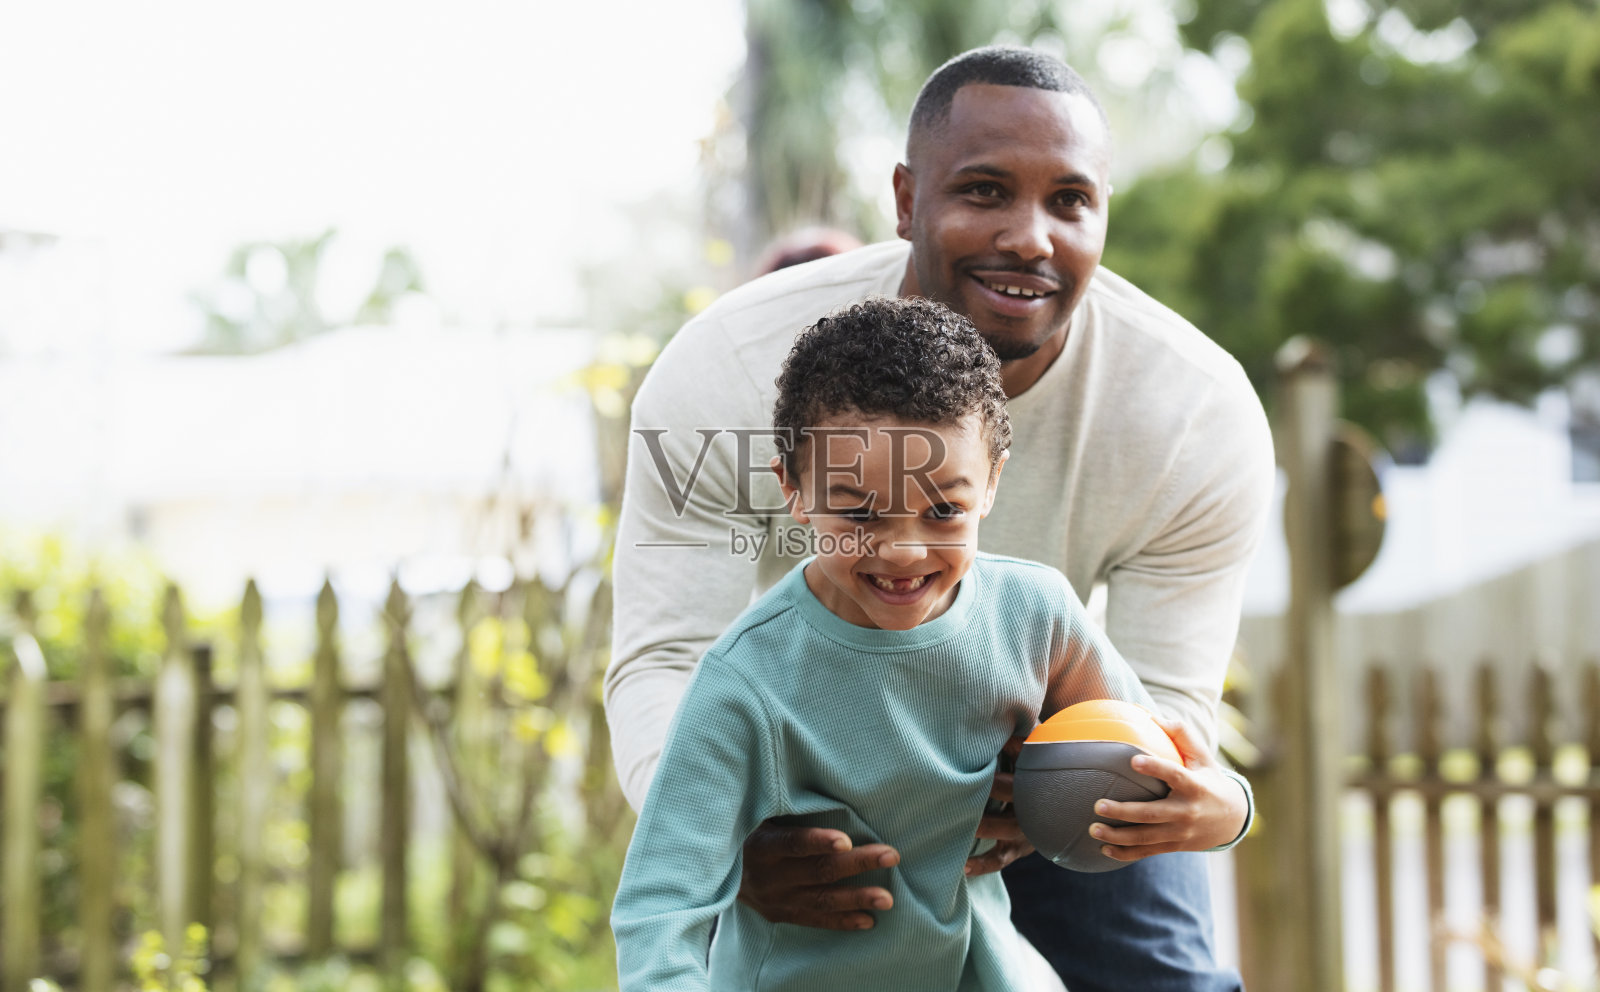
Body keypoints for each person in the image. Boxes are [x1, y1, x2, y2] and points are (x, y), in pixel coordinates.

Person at [606, 45, 1275, 991]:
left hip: (1037, 755)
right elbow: (664, 656)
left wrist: (1120, 791)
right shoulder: (726, 374)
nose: (1031, 238)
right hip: (814, 773)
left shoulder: (1194, 415)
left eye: (1071, 201)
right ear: (906, 198)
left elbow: (1161, 712)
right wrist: (730, 830)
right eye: (986, 191)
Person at [613, 296, 1221, 990]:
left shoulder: (1035, 616)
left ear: (991, 481)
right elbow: (661, 907)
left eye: (943, 511)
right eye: (859, 512)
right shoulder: (746, 680)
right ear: (793, 490)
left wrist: (1224, 810)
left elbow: (1162, 770)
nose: (903, 551)